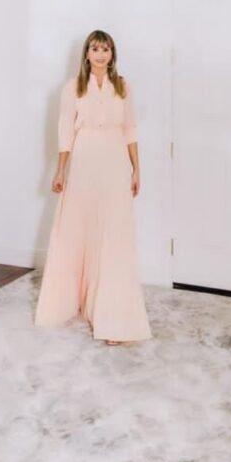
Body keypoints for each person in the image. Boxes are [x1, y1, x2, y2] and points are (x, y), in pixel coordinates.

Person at [35, 30, 151, 344]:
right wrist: (60, 170)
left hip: (114, 161)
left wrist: (136, 169)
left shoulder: (123, 86)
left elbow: (130, 129)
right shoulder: (73, 87)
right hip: (84, 160)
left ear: (113, 54)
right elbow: (65, 131)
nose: (100, 55)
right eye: (95, 49)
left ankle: (114, 316)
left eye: (106, 49)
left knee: (114, 234)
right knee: (79, 229)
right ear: (86, 53)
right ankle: (79, 300)